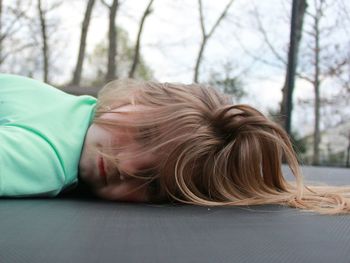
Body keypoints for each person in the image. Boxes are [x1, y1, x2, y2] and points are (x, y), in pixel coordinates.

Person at [1, 74, 349, 214]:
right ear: (134, 98)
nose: (128, 166)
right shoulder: (49, 143)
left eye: (153, 183)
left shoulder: (46, 149)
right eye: (145, 134)